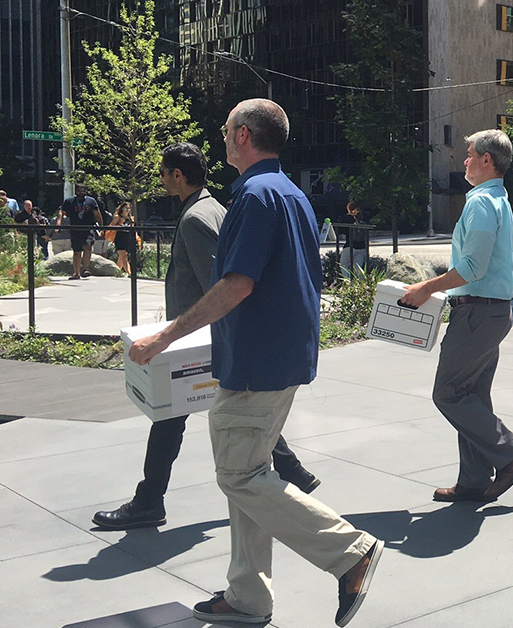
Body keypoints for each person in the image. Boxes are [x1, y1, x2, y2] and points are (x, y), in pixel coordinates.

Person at [129, 100, 380, 627]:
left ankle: (349, 551)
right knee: (249, 473)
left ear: (242, 135)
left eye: (225, 131)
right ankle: (247, 597)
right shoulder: (290, 193)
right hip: (278, 355)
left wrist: (164, 337)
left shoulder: (255, 195)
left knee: (241, 475)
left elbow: (236, 284)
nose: (222, 139)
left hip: (258, 362)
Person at [93, 142, 321, 532]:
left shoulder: (196, 217)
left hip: (197, 337)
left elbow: (217, 283)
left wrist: (171, 335)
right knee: (228, 412)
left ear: (177, 176)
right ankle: (292, 471)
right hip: (212, 336)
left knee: (172, 416)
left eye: (164, 173)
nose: (162, 179)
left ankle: (149, 501)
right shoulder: (214, 206)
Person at [401, 129, 513, 504]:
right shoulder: (497, 200)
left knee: (447, 393)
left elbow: (472, 267)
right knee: (470, 395)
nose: (464, 160)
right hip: (490, 312)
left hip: (477, 312)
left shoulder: (480, 204)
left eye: (470, 154)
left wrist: (427, 287)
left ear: (487, 160)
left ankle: (512, 452)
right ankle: (474, 481)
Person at [58, 185, 103, 279]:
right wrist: (58, 225)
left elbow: (97, 214)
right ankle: (76, 273)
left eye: (83, 190)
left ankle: (85, 269)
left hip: (88, 227)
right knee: (77, 251)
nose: (81, 192)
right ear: (76, 191)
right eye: (79, 190)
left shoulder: (91, 201)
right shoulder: (69, 201)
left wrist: (101, 227)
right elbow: (61, 213)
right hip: (75, 229)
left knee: (88, 247)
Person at [337, 200, 368, 276]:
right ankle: (361, 284)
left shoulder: (347, 218)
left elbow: (340, 230)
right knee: (358, 268)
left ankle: (347, 282)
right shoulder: (362, 219)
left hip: (350, 246)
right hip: (361, 247)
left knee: (343, 265)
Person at [107, 202, 138, 274]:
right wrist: (118, 226)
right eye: (125, 208)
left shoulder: (130, 218)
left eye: (129, 208)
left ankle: (117, 272)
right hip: (119, 237)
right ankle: (130, 273)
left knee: (121, 257)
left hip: (128, 238)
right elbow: (111, 226)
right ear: (122, 209)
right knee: (124, 256)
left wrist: (136, 237)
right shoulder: (118, 217)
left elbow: (133, 229)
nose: (128, 210)